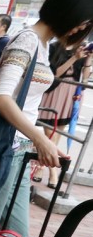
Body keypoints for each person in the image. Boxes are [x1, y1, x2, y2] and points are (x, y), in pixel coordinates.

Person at [0, 0, 93, 237]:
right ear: (71, 10)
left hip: (17, 151)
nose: (82, 27)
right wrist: (39, 139)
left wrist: (40, 141)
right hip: (5, 151)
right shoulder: (28, 40)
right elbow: (2, 98)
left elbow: (26, 102)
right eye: (84, 20)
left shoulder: (42, 45)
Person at [32, 40, 92, 186]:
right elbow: (54, 74)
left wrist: (88, 59)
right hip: (54, 91)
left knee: (57, 135)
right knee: (51, 134)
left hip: (70, 94)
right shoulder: (54, 47)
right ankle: (53, 173)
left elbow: (84, 79)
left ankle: (42, 168)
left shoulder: (80, 46)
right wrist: (74, 58)